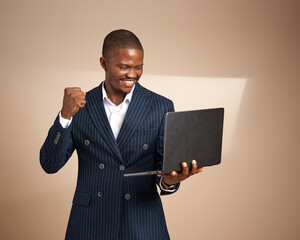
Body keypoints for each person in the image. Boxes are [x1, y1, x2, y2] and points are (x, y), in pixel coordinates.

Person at [40, 29, 203, 240]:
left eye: (139, 67)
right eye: (124, 67)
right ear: (103, 63)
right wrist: (65, 115)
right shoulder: (79, 106)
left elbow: (164, 173)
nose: (132, 74)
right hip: (90, 222)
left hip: (142, 222)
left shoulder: (160, 106)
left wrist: (171, 181)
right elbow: (50, 164)